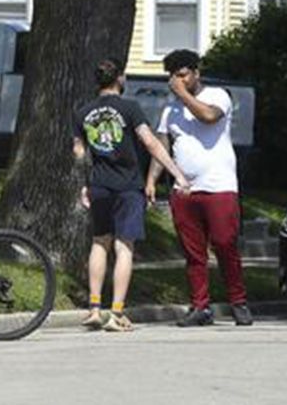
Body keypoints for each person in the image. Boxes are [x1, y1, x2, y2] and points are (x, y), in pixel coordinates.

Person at [73, 58, 190, 333]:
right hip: (127, 185)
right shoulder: (130, 108)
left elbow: (79, 153)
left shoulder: (83, 112)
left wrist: (84, 183)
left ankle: (93, 309)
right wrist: (177, 173)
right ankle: (116, 313)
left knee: (99, 242)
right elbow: (149, 142)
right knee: (124, 247)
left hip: (98, 185)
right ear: (120, 79)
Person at [147, 49, 253, 328]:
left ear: (196, 73)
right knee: (194, 253)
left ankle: (238, 302)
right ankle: (200, 307)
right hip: (185, 190)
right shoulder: (170, 110)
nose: (176, 81)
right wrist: (151, 180)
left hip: (219, 186)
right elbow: (162, 146)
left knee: (224, 243)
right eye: (172, 76)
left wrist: (182, 94)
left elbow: (208, 117)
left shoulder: (217, 96)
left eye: (182, 75)